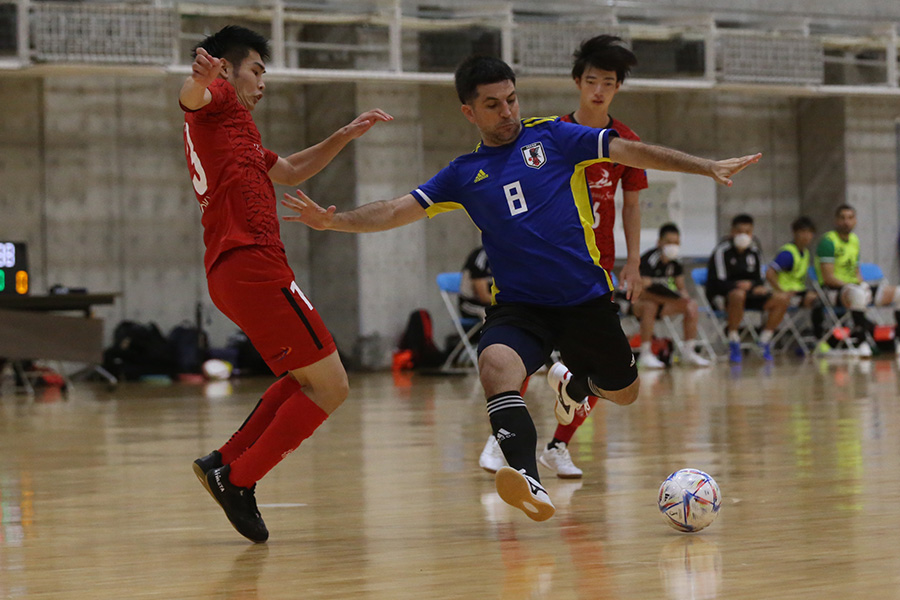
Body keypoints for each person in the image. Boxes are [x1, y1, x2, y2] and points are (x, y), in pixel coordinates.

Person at [282, 55, 760, 521]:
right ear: (469, 112)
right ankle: (529, 479)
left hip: (584, 301)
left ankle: (574, 384)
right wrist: (333, 222)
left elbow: (629, 152)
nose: (507, 111)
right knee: (494, 366)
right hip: (519, 307)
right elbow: (393, 210)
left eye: (511, 99)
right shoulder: (463, 175)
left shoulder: (554, 136)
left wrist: (705, 166)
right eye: (492, 105)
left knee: (626, 392)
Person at [179, 25, 392, 542]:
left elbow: (293, 169)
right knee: (333, 386)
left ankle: (223, 463)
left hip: (235, 270)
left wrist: (343, 134)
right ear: (228, 70)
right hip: (252, 265)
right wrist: (201, 82)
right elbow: (192, 98)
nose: (262, 82)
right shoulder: (219, 102)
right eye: (257, 70)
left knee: (305, 381)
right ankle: (239, 478)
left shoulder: (240, 134)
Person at [480, 34, 651, 480]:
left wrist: (633, 262)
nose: (598, 90)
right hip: (543, 264)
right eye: (591, 80)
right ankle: (504, 438)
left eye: (608, 83)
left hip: (595, 264)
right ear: (577, 81)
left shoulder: (623, 141)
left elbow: (632, 204)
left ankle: (559, 445)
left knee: (594, 365)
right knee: (518, 349)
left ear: (616, 89)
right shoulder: (550, 134)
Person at [814, 204, 900, 355]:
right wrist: (854, 286)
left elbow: (856, 272)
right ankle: (861, 343)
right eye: (842, 218)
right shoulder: (828, 242)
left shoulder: (854, 240)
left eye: (850, 218)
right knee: (858, 294)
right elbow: (828, 278)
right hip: (833, 291)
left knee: (898, 292)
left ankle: (896, 339)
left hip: (854, 287)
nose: (846, 221)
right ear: (836, 220)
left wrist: (863, 284)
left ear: (855, 221)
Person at [706, 214, 790, 363]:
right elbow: (717, 281)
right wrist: (739, 286)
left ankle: (764, 340)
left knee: (781, 299)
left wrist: (754, 286)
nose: (744, 236)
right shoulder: (721, 251)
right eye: (740, 231)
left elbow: (759, 279)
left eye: (748, 232)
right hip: (724, 296)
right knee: (738, 294)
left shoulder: (755, 252)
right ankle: (733, 339)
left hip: (750, 294)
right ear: (732, 232)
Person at [632, 223, 712, 369]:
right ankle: (645, 353)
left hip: (663, 303)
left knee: (691, 305)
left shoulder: (676, 263)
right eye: (669, 242)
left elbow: (681, 288)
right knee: (650, 306)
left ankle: (689, 351)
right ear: (659, 242)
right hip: (637, 303)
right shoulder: (649, 260)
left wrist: (683, 298)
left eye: (676, 242)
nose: (673, 246)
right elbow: (641, 292)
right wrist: (667, 299)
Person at [766, 216, 818, 310]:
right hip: (787, 293)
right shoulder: (788, 254)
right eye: (802, 232)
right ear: (794, 233)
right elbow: (770, 273)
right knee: (814, 300)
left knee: (819, 298)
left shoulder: (806, 253)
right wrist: (781, 291)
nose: (806, 236)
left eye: (809, 232)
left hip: (799, 291)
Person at [459, 246, 492, 321]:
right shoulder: (481, 257)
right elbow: (484, 297)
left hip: (496, 302)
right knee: (494, 314)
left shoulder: (509, 255)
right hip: (471, 304)